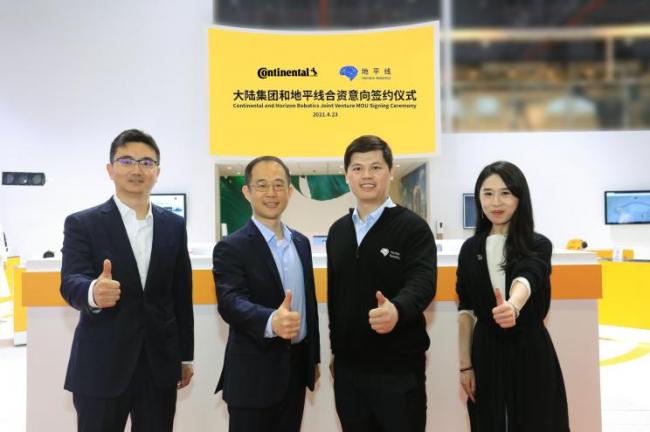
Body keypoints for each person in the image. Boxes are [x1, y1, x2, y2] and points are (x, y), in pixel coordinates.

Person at [60, 129, 194, 432]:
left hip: (159, 365)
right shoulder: (83, 223)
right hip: (102, 364)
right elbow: (70, 281)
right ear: (110, 169)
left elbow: (180, 295)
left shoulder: (174, 225)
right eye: (126, 161)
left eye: (146, 162)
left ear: (157, 172)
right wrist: (93, 291)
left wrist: (185, 356)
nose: (137, 169)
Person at [327, 135, 437, 432]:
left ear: (390, 171)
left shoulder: (413, 228)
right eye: (357, 168)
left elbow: (423, 282)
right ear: (346, 175)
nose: (366, 175)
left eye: (375, 167)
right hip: (349, 374)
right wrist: (336, 352)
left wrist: (397, 310)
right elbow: (335, 298)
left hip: (397, 371)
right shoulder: (338, 232)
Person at [457, 161, 569, 431]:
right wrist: (465, 366)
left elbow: (529, 275)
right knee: (489, 421)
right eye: (488, 193)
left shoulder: (537, 243)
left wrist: (513, 306)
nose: (496, 202)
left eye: (505, 193)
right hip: (485, 349)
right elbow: (466, 310)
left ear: (520, 197)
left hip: (529, 346)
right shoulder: (470, 249)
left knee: (538, 420)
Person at [213, 156, 320, 432]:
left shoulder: (301, 243)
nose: (271, 193)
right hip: (253, 376)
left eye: (278, 185)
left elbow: (309, 304)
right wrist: (271, 320)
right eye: (261, 185)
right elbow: (230, 302)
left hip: (296, 371)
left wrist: (313, 358)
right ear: (247, 192)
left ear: (290, 192)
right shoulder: (231, 247)